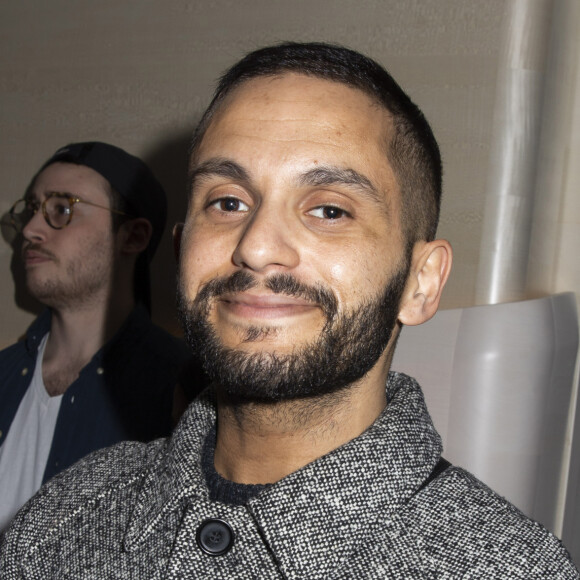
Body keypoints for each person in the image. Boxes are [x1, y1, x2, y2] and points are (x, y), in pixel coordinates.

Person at [1, 44, 578, 578]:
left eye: (329, 210)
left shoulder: (506, 567)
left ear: (420, 283)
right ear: (180, 251)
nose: (255, 245)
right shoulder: (65, 515)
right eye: (227, 201)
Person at [0, 141, 192, 532]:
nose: (31, 231)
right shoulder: (2, 374)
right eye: (32, 210)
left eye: (62, 208)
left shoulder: (183, 389)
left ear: (132, 237)